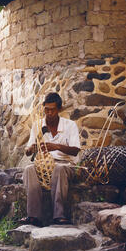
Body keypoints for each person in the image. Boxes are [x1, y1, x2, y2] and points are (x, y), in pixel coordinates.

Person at [21, 92, 80, 227]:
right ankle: (33, 216)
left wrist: (56, 147)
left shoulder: (70, 125)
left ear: (59, 109)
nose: (49, 113)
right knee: (29, 169)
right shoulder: (37, 125)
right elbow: (28, 150)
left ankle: (59, 216)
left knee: (59, 168)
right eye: (46, 109)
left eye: (52, 110)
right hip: (43, 165)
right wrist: (31, 149)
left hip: (65, 164)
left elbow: (76, 150)